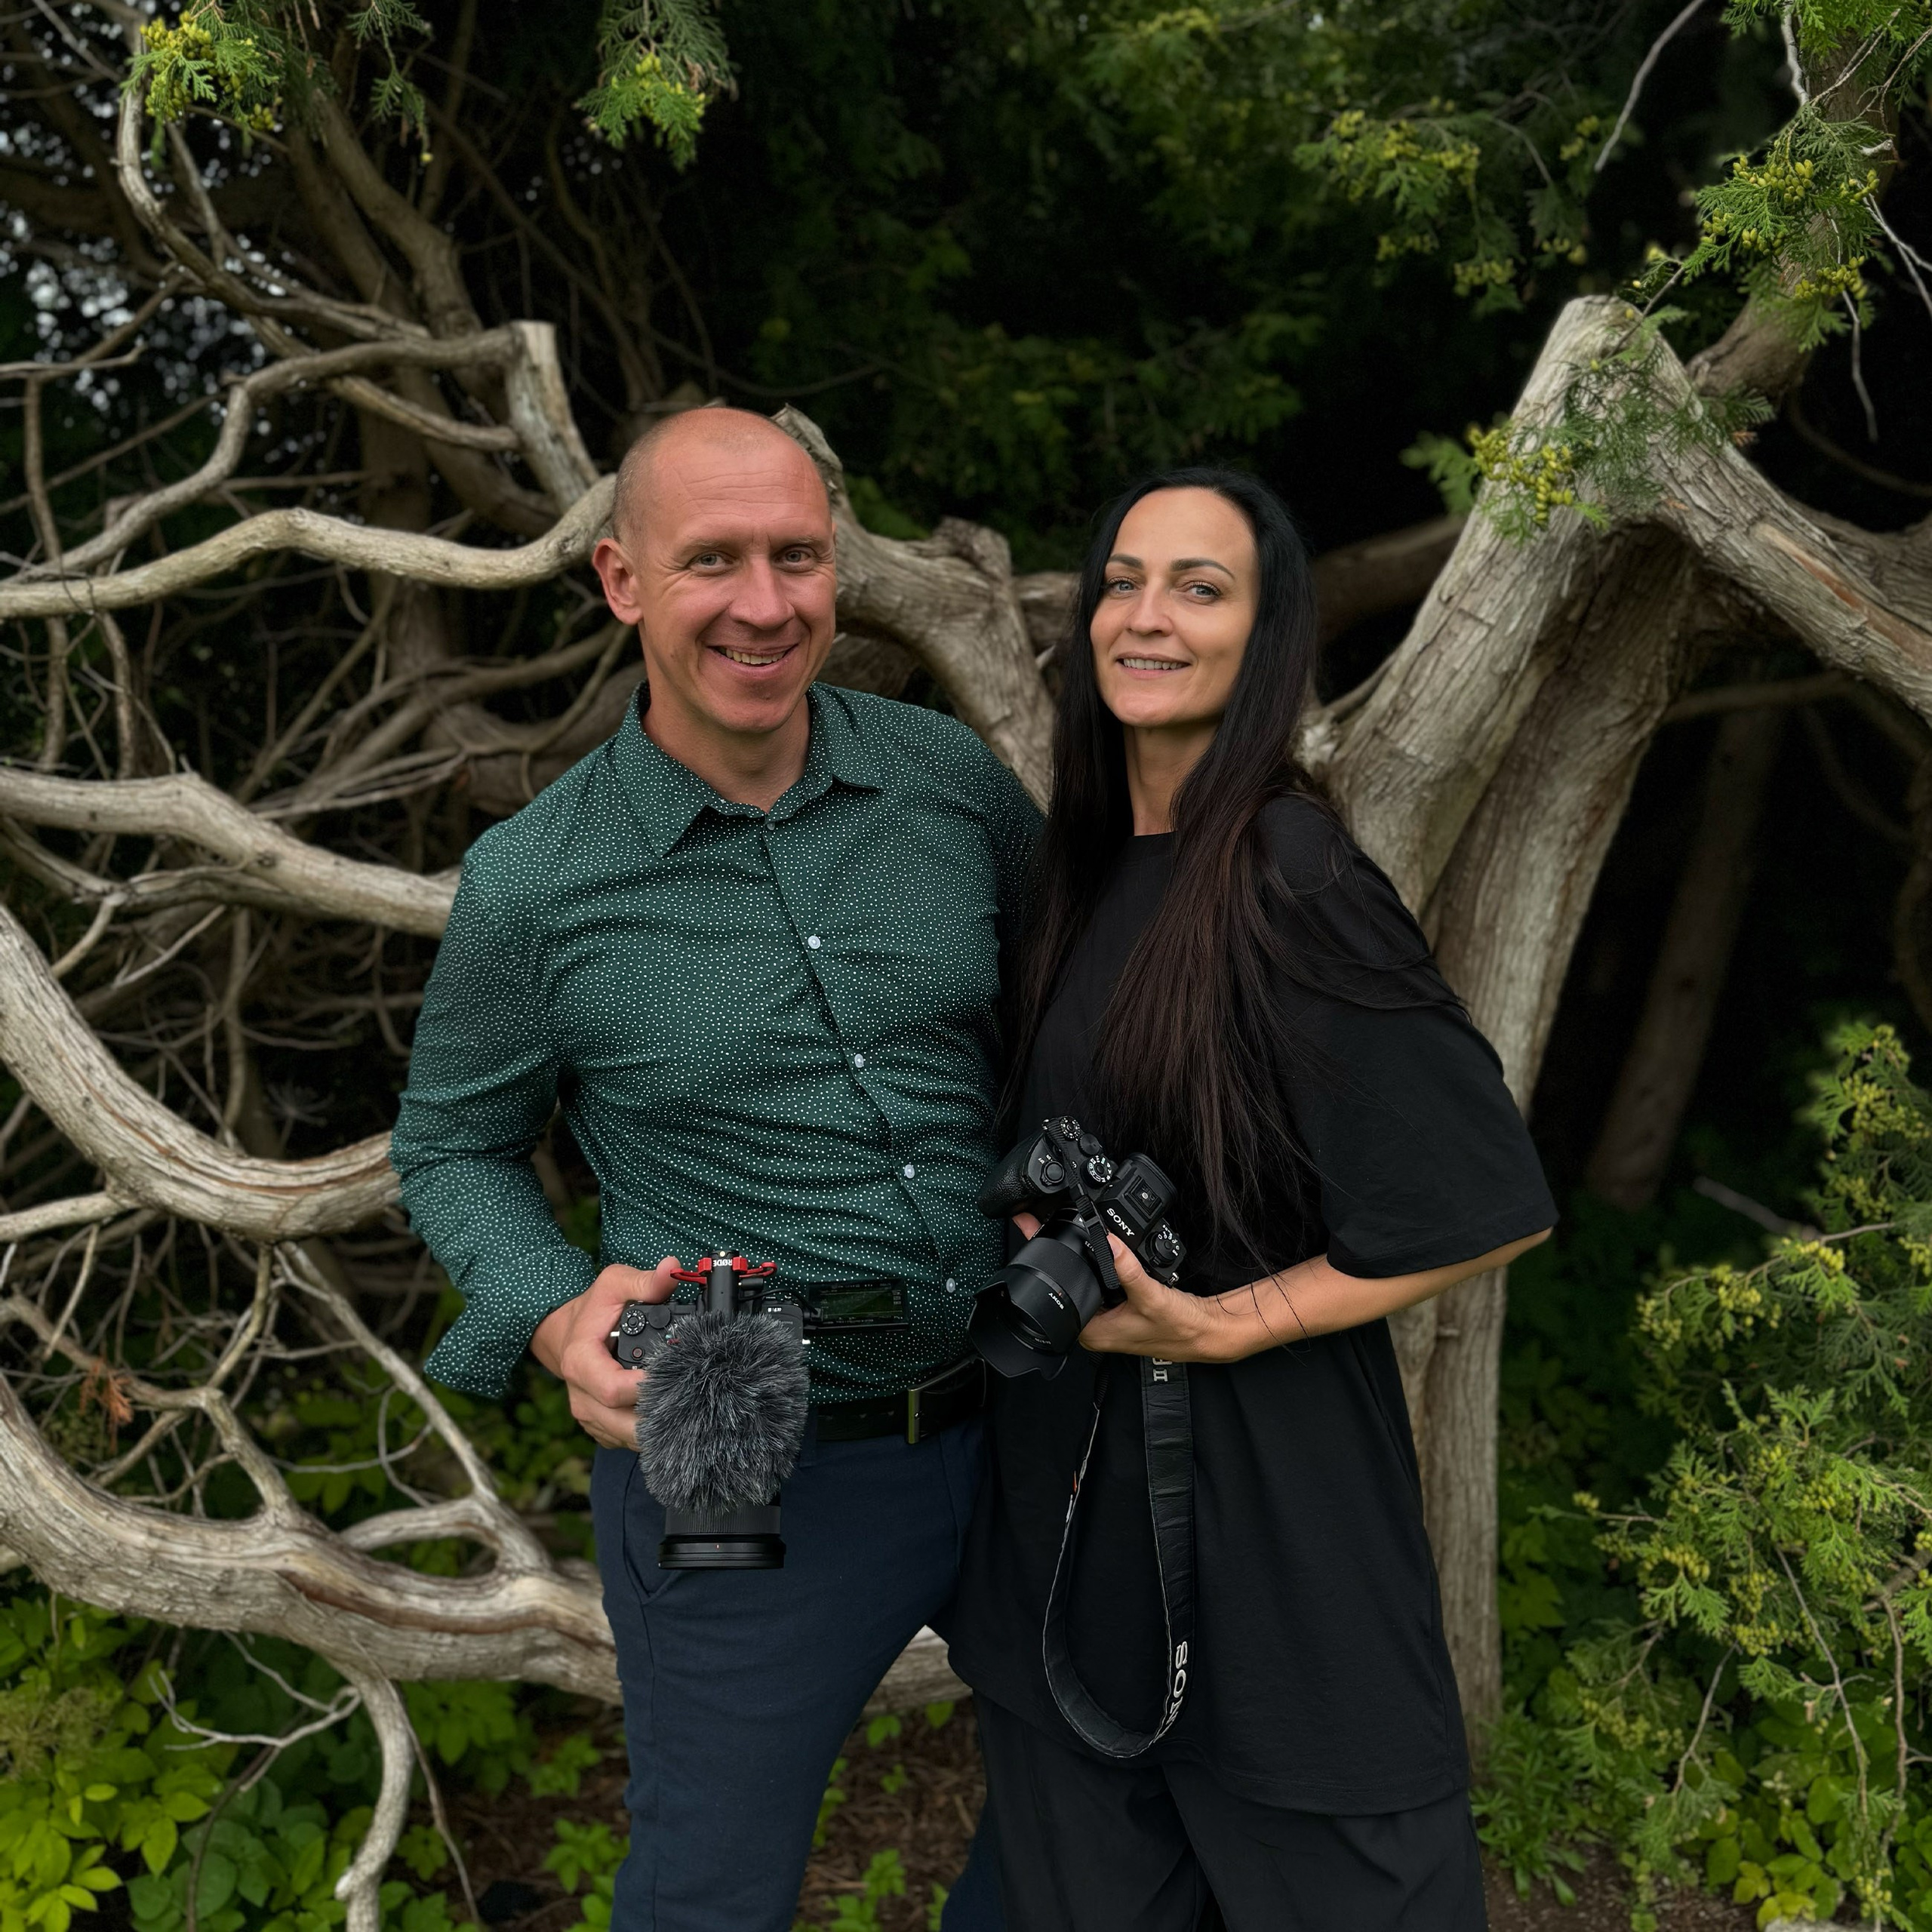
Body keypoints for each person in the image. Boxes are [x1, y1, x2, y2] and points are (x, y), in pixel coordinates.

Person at [390, 407, 1032, 1932]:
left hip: (1023, 1398)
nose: (764, 601)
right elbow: (452, 1142)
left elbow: (1067, 1004)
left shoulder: (947, 782)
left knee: (1101, 1813)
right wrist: (553, 1311)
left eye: (796, 554)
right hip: (741, 1421)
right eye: (712, 560)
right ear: (620, 579)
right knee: (710, 1889)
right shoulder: (535, 883)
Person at [947, 469, 1557, 1931]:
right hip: (1071, 1529)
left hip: (1279, 1540)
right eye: (1121, 578)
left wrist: (1233, 1321)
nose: (1145, 615)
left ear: (1264, 634)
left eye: (1197, 586)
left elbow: (1482, 1194)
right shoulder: (1077, 878)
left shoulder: (1286, 869)